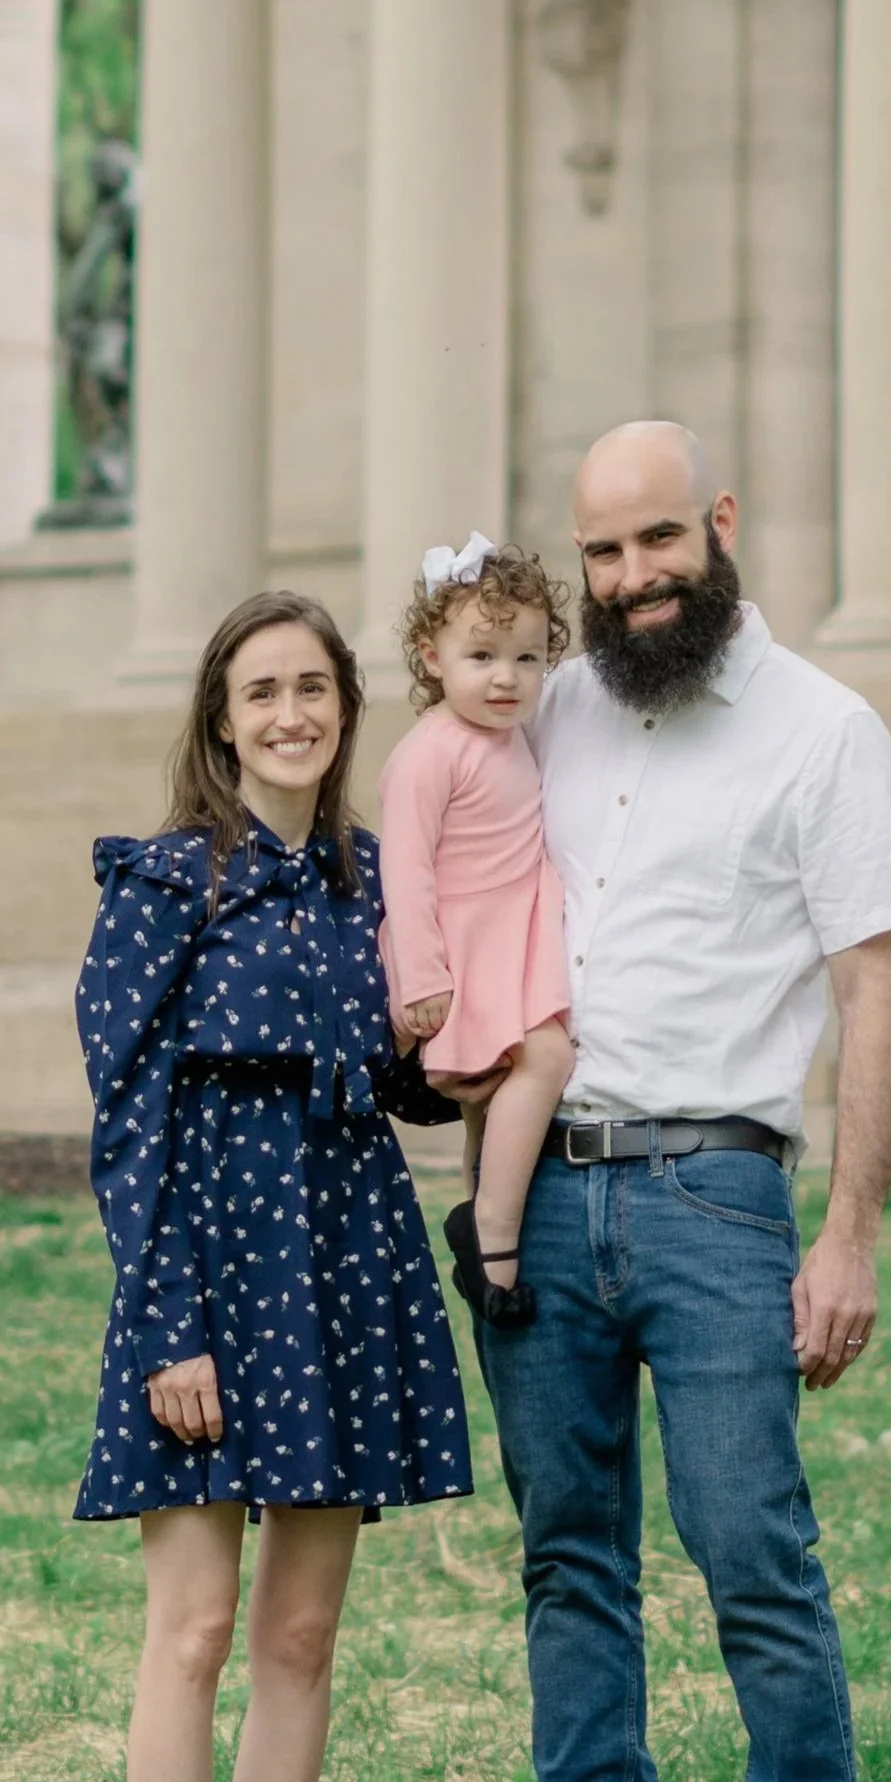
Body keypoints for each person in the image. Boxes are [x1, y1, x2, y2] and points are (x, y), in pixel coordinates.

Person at [449, 420, 891, 1782]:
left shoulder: (825, 730)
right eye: (601, 553)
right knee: (565, 1558)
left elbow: (875, 989)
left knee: (753, 1556)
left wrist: (848, 1232)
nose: (633, 579)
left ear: (719, 525)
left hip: (720, 1196)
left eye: (657, 541)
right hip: (544, 1193)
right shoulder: (556, 710)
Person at [75, 590, 474, 1782]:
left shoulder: (379, 882)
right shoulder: (168, 882)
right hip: (209, 1269)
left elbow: (397, 1080)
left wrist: (445, 1052)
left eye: (315, 688)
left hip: (345, 1260)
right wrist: (168, 1317)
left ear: (345, 710)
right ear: (222, 720)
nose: (292, 714)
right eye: (264, 693)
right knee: (192, 1625)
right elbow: (127, 1116)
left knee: (300, 1634)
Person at [377, 533, 575, 1321]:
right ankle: (494, 1231)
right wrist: (421, 976)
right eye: (483, 655)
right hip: (463, 943)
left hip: (512, 928)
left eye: (527, 659)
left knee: (492, 1104)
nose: (506, 677)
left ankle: (481, 1236)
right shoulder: (432, 750)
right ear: (432, 656)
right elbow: (406, 867)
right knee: (546, 1054)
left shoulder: (513, 738)